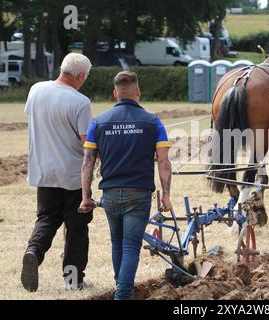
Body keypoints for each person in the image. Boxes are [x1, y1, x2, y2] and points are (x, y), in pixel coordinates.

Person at [79, 71, 173, 300]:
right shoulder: (153, 122)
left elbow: (87, 163)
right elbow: (164, 161)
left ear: (115, 93)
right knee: (131, 246)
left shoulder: (98, 122)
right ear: (138, 93)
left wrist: (85, 196)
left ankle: (121, 286)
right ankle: (122, 294)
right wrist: (167, 195)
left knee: (117, 243)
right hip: (138, 193)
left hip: (110, 193)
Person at [21, 53, 93, 292]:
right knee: (76, 227)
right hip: (73, 175)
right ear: (81, 76)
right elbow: (87, 142)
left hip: (43, 170)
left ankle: (34, 251)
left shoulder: (36, 90)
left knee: (47, 218)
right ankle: (73, 280)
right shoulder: (80, 102)